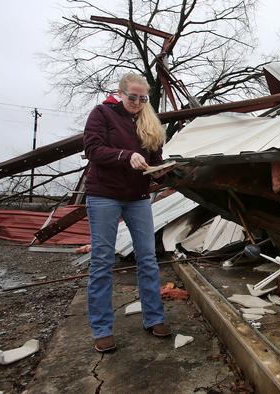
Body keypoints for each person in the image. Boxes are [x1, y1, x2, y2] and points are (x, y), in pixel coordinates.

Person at [83, 72, 171, 353]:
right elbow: (93, 149)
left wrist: (163, 173)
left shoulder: (148, 121)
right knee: (102, 261)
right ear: (120, 93)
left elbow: (154, 160)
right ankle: (101, 329)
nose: (136, 102)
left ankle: (154, 318)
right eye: (132, 97)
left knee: (147, 257)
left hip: (138, 197)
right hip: (104, 196)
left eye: (142, 98)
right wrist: (125, 156)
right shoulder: (102, 114)